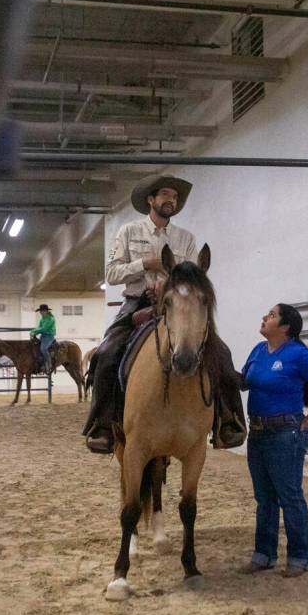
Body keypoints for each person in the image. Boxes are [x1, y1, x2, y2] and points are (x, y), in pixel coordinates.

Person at [83, 173, 246, 453]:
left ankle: (227, 420)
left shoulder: (186, 239)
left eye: (174, 197)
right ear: (151, 200)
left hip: (180, 306)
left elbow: (196, 276)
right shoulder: (128, 232)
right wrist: (146, 264)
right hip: (138, 303)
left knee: (221, 353)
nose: (171, 200)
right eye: (165, 195)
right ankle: (103, 423)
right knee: (107, 354)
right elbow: (111, 273)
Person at [241, 303, 308, 577]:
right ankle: (263, 555)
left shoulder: (298, 355)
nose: (264, 317)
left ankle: (298, 557)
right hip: (258, 432)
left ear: (285, 327)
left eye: (271, 315)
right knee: (264, 497)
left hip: (285, 434)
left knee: (290, 496)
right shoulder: (258, 351)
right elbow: (243, 382)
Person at [30, 304, 56, 374]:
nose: (40, 313)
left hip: (49, 336)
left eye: (41, 311)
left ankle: (49, 363)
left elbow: (44, 329)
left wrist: (34, 331)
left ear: (45, 311)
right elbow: (39, 327)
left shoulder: (51, 319)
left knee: (43, 349)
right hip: (43, 336)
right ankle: (41, 364)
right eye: (40, 311)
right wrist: (34, 333)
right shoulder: (42, 319)